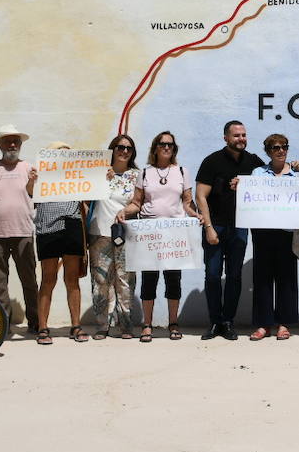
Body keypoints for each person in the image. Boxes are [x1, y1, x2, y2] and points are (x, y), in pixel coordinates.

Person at [120, 131, 200, 343]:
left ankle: (173, 323)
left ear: (174, 149)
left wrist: (195, 214)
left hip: (174, 232)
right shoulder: (144, 174)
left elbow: (187, 202)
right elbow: (136, 203)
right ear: (155, 147)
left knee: (173, 279)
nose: (167, 147)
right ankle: (147, 324)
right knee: (149, 279)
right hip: (149, 232)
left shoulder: (183, 172)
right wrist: (124, 212)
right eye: (163, 144)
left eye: (171, 145)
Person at [195, 120, 266, 341]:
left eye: (244, 135)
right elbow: (200, 196)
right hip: (215, 225)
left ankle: (228, 321)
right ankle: (215, 321)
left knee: (234, 276)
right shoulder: (212, 161)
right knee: (213, 275)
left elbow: (273, 181)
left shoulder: (253, 162)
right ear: (226, 138)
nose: (241, 139)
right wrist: (208, 228)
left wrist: (294, 167)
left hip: (240, 227)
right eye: (236, 135)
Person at [0, 124, 40, 335]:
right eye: (8, 141)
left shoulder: (29, 169)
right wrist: (0, 215)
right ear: (0, 145)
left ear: (20, 145)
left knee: (29, 280)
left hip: (23, 231)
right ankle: (2, 324)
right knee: (0, 283)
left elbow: (35, 196)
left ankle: (36, 321)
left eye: (16, 141)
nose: (12, 145)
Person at [33, 142, 89, 345]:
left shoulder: (78, 176)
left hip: (71, 224)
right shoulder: (40, 174)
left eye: (67, 154)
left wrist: (103, 178)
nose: (64, 157)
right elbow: (31, 192)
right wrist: (32, 180)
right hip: (46, 228)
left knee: (72, 279)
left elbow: (91, 193)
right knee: (48, 279)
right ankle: (43, 327)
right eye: (60, 154)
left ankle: (76, 325)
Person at [248, 134, 299, 341]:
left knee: (286, 279)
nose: (281, 151)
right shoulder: (258, 173)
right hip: (263, 232)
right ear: (268, 151)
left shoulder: (296, 175)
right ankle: (263, 324)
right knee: (262, 279)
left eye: (284, 147)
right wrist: (239, 186)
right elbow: (250, 197)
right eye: (276, 148)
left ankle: (283, 323)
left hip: (287, 233)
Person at [87, 133, 139, 340]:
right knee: (100, 279)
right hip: (98, 233)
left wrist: (126, 212)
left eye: (128, 148)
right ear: (112, 150)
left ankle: (125, 325)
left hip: (126, 234)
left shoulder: (137, 175)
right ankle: (102, 325)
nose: (124, 151)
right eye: (120, 147)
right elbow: (84, 196)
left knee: (125, 280)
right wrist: (98, 178)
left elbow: (139, 202)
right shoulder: (99, 172)